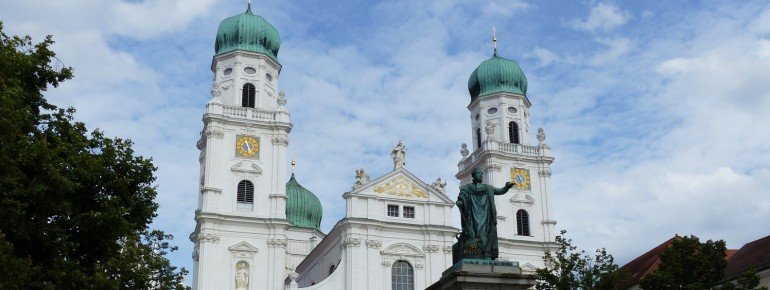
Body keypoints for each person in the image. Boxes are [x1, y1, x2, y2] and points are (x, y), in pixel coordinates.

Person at [456, 167, 514, 260]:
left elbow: (500, 191)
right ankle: (475, 253)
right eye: (478, 173)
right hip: (472, 214)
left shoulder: (488, 188)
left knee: (485, 233)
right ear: (473, 175)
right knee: (475, 233)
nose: (480, 175)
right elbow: (462, 196)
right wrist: (461, 201)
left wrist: (506, 187)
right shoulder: (467, 188)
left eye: (481, 173)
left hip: (486, 214)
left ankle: (486, 253)